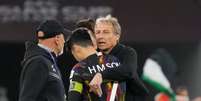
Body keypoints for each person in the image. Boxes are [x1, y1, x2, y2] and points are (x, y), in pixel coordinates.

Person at [89, 15, 148, 101]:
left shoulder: (127, 52)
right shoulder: (94, 57)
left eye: (106, 32)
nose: (100, 36)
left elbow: (128, 71)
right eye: (97, 32)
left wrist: (101, 75)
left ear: (117, 36)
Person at [66, 28, 125, 101]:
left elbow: (73, 98)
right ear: (92, 44)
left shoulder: (79, 69)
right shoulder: (115, 60)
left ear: (76, 49)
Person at [19, 20, 67, 101]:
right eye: (63, 37)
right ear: (57, 39)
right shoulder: (39, 62)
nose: (64, 41)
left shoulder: (47, 61)